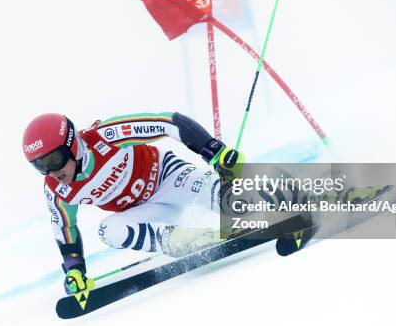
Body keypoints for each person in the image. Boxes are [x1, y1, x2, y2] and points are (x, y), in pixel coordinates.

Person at [22, 112, 244, 295]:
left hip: (170, 179)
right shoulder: (57, 190)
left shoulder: (105, 136)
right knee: (108, 230)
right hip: (148, 212)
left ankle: (266, 199)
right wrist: (74, 269)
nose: (52, 172)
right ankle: (184, 241)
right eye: (40, 166)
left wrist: (214, 151)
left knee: (226, 199)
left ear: (71, 146)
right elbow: (64, 226)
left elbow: (168, 122)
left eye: (53, 160)